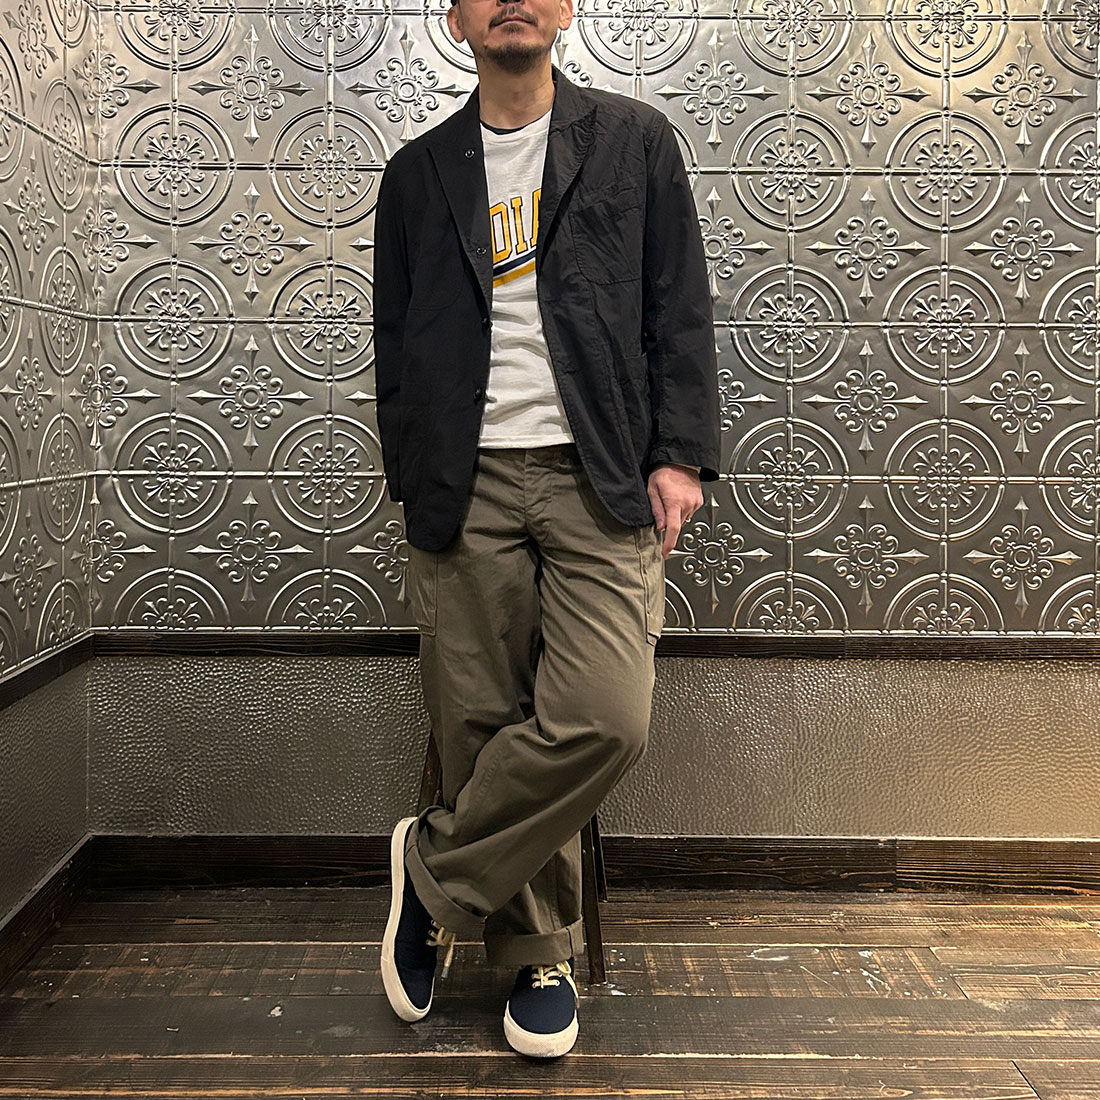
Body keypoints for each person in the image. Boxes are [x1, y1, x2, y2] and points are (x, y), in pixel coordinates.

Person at [375, 0, 720, 1060]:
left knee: (603, 716)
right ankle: (538, 953)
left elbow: (678, 301)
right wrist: (413, 468)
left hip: (597, 471)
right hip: (464, 477)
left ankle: (432, 873)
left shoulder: (635, 141)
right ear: (455, 20)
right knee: (482, 721)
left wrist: (678, 452)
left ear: (566, 11)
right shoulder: (416, 172)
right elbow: (394, 336)